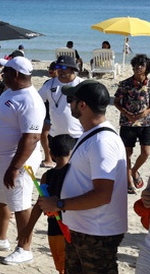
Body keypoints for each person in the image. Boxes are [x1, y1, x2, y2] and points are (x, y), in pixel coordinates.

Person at [38, 80, 126, 274]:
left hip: (97, 233)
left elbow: (103, 194)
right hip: (82, 229)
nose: (69, 104)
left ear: (82, 105)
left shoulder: (103, 141)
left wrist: (59, 204)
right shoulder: (91, 135)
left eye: (72, 99)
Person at [0, 56, 45, 265]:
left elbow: (32, 137)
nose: (2, 74)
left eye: (5, 71)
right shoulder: (9, 91)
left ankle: (25, 247)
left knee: (21, 203)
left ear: (15, 74)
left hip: (17, 161)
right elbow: (0, 120)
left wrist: (15, 168)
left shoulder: (30, 100)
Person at [17, 134, 76, 274]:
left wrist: (28, 228)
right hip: (74, 228)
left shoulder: (46, 176)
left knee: (62, 267)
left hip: (54, 229)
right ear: (72, 153)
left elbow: (39, 204)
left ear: (52, 154)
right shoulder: (75, 173)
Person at [114, 54, 150, 193]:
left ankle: (134, 171)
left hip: (146, 123)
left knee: (146, 152)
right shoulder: (125, 84)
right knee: (127, 153)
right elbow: (116, 102)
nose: (138, 67)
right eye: (136, 65)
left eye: (141, 65)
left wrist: (147, 111)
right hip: (127, 123)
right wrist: (127, 114)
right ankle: (129, 182)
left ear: (147, 68)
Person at [38, 55, 83, 172]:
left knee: (76, 168)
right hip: (56, 135)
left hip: (77, 135)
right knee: (60, 168)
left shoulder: (82, 85)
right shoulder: (49, 85)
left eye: (64, 67)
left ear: (72, 68)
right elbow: (35, 102)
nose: (60, 70)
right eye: (58, 66)